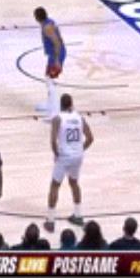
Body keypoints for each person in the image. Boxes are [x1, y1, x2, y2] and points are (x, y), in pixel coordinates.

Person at [44, 93, 93, 233]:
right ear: (72, 104)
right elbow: (90, 138)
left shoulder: (58, 119)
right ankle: (78, 215)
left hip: (64, 156)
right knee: (74, 183)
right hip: (78, 156)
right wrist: (80, 149)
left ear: (60, 105)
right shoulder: (80, 118)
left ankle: (50, 221)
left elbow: (53, 141)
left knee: (55, 185)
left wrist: (56, 154)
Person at [33, 7, 66, 120]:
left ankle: (55, 112)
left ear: (37, 17)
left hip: (56, 55)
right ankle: (50, 104)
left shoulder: (47, 28)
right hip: (54, 55)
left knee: (51, 81)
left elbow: (57, 42)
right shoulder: (48, 22)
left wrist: (57, 60)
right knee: (48, 78)